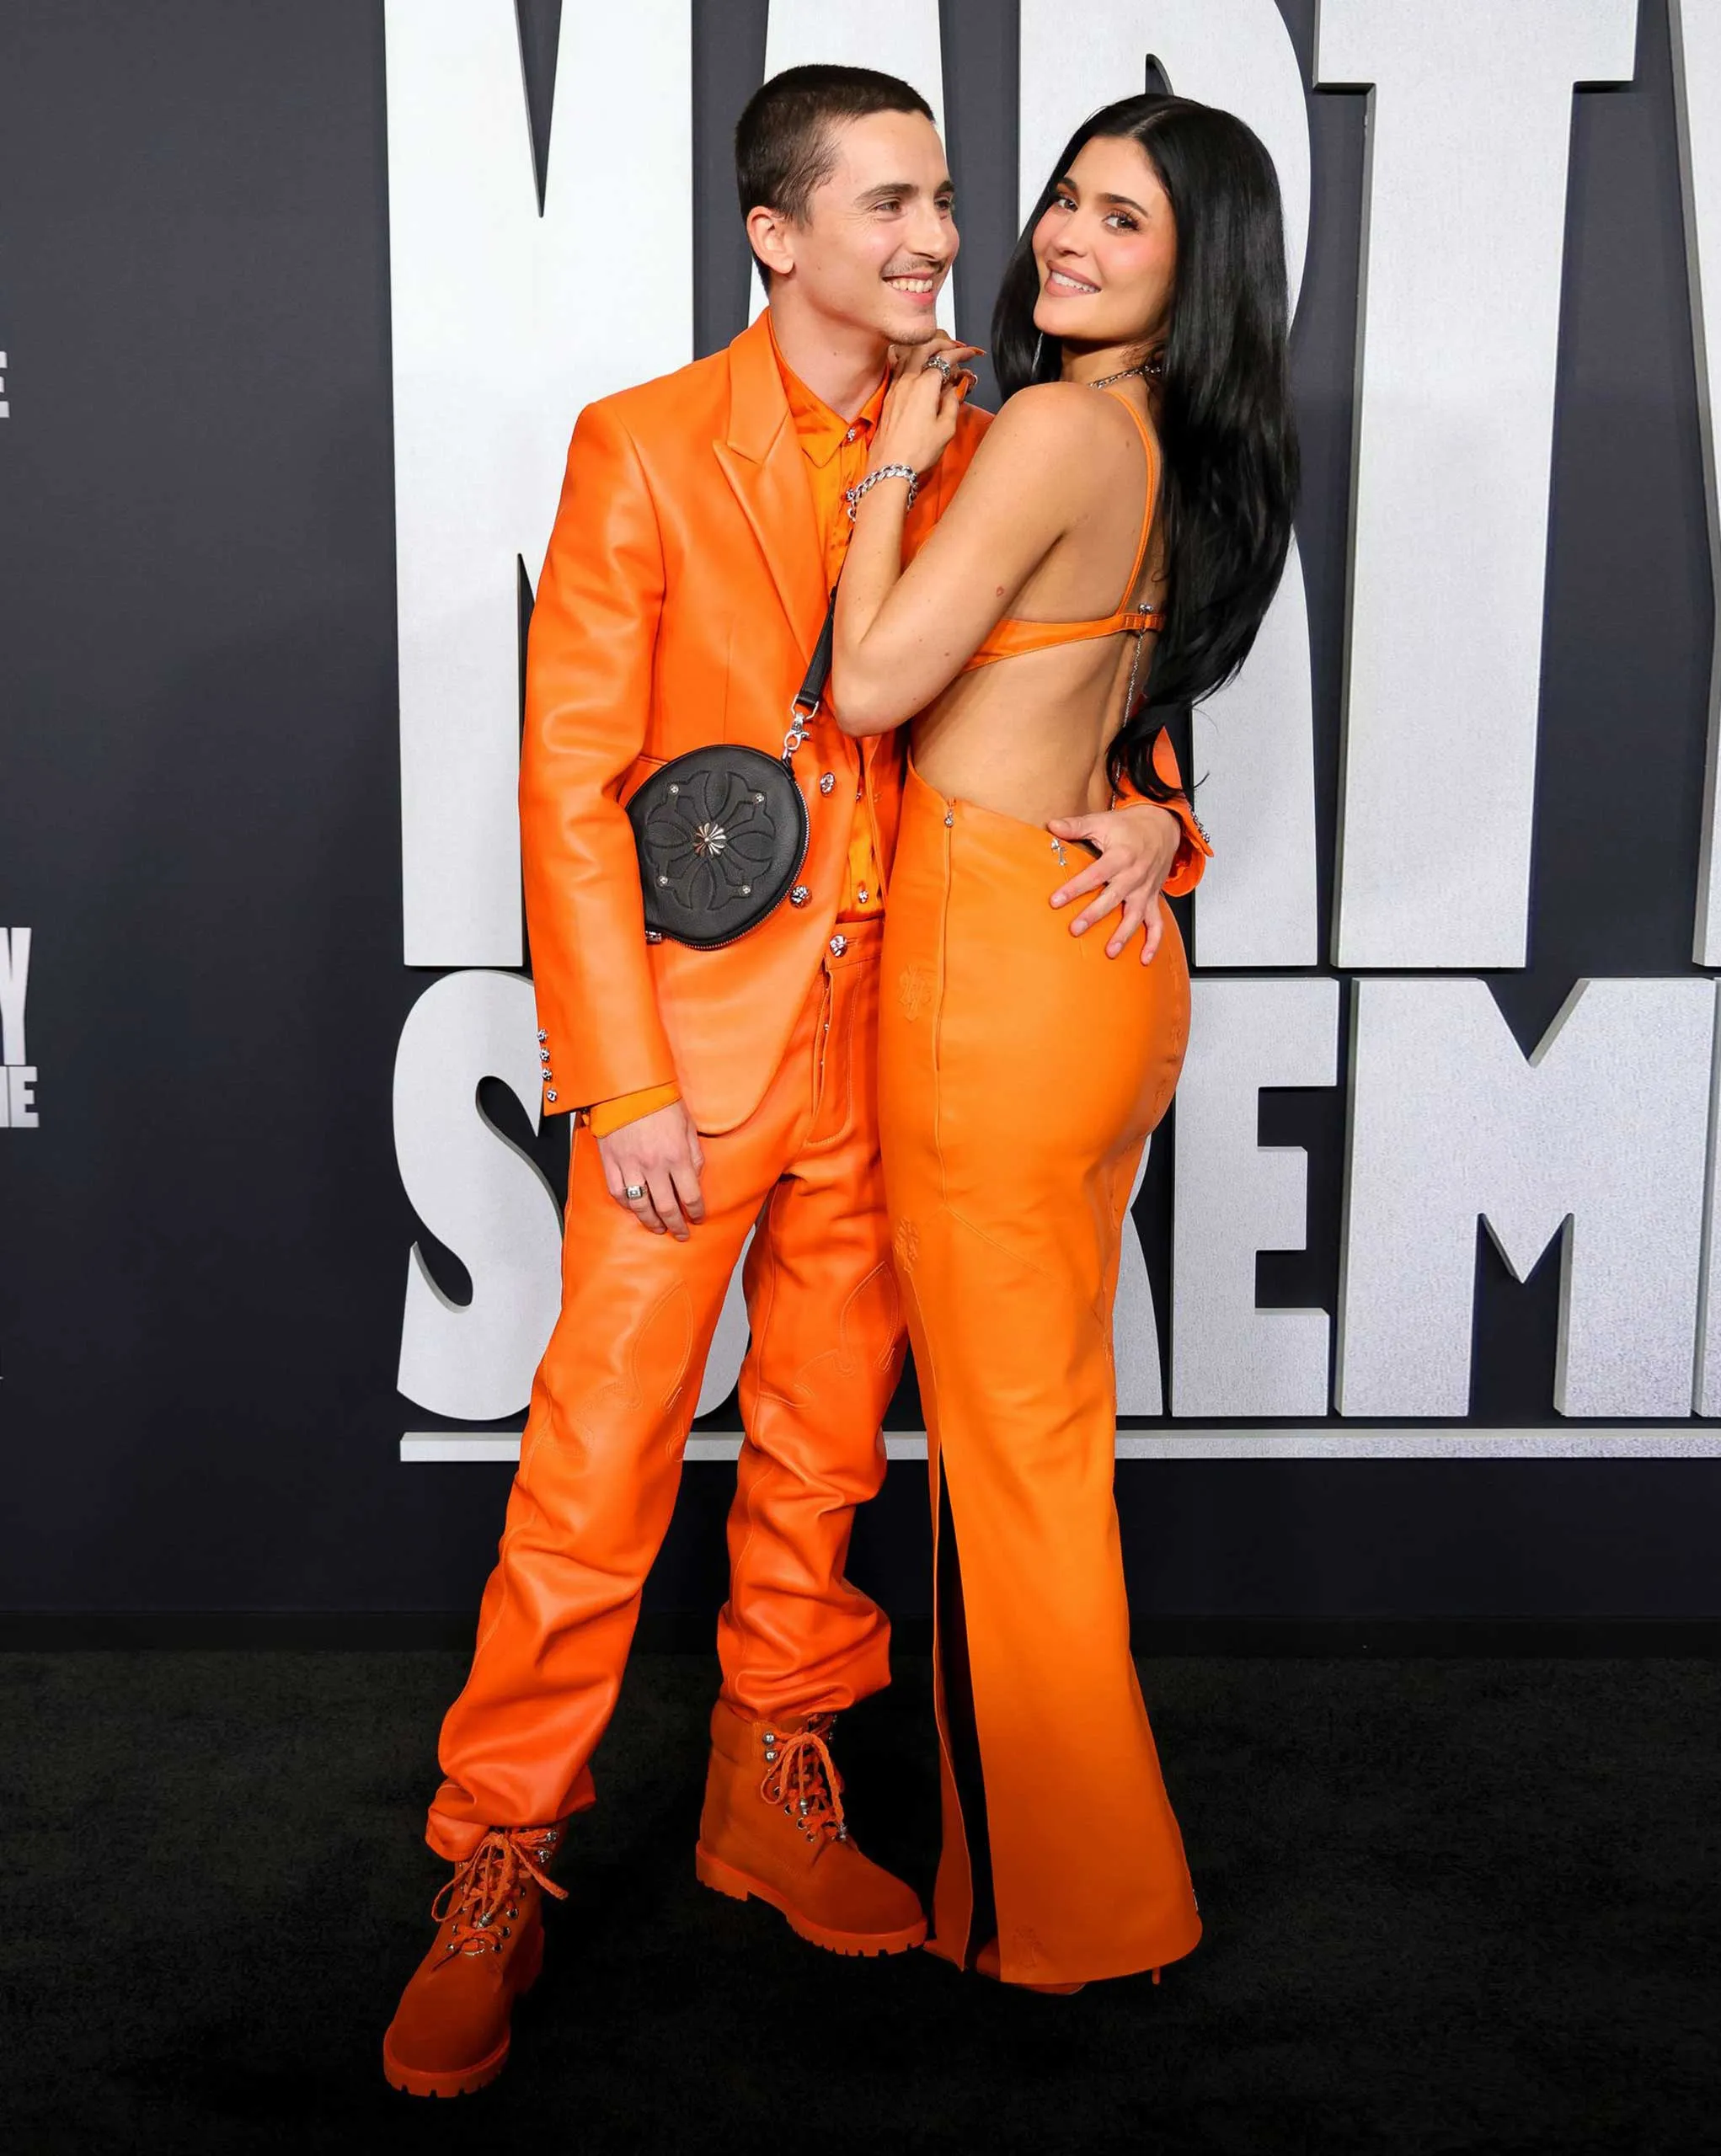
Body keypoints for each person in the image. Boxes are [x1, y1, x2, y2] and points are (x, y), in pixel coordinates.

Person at [382, 67, 1199, 2098]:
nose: (943, 240)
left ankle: (773, 1777)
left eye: (945, 201)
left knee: (825, 1452)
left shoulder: (1006, 436)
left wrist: (1161, 825)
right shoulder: (646, 444)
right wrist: (620, 1076)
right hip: (699, 1055)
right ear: (778, 233)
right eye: (891, 204)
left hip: (914, 1038)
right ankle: (497, 1852)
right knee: (597, 1464)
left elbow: (1099, 682)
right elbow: (571, 786)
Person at [831, 93, 1297, 1992]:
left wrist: (892, 469)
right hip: (1105, 967)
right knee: (1048, 1442)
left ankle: (1068, 1911)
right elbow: (1122, 705)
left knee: (1008, 1465)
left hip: (996, 970)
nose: (1065, 240)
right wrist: (1162, 823)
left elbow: (873, 683)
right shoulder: (1187, 440)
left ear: (1197, 273)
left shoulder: (1050, 427)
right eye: (1069, 200)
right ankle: (1086, 1886)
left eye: (1125, 221)